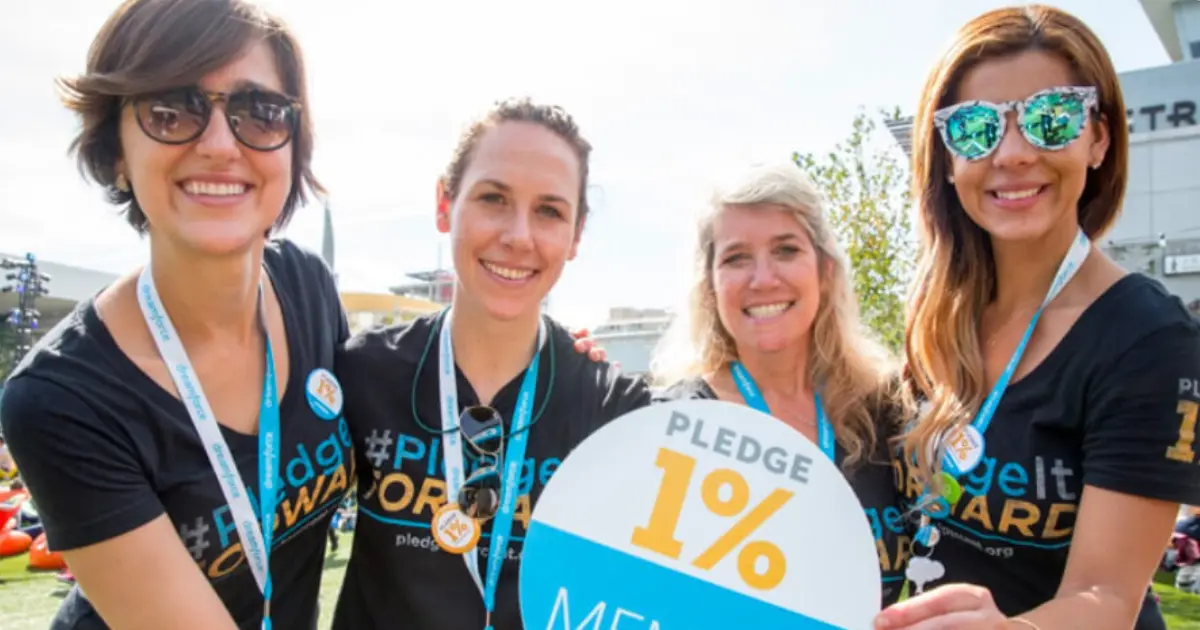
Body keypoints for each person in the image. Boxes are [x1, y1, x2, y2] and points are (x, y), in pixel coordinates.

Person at [0, 1, 352, 628]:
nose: (220, 145)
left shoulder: (308, 287)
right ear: (114, 151)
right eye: (172, 110)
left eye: (261, 112)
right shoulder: (60, 399)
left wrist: (557, 369)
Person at [874, 6, 1200, 630]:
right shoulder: (937, 317)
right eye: (974, 129)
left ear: (1098, 138)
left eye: (1051, 120)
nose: (1014, 153)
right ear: (946, 158)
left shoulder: (1150, 340)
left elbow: (1107, 595)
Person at [330, 98, 652, 630]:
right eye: (493, 198)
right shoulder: (363, 372)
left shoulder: (611, 407)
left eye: (549, 211)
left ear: (576, 235)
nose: (518, 236)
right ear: (444, 203)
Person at [649, 162, 911, 606]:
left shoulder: (886, 411)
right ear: (710, 286)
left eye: (786, 250)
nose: (764, 279)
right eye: (736, 258)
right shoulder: (672, 425)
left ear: (825, 271)